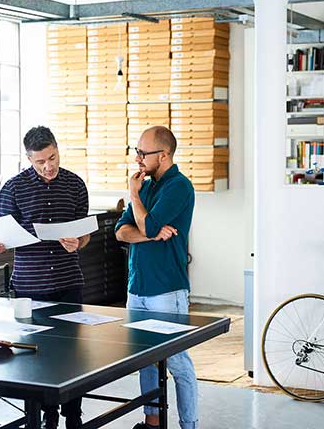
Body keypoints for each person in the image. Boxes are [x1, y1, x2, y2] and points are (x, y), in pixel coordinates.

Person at [0, 125, 90, 429]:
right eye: (40, 161)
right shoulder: (12, 189)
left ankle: (74, 416)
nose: (48, 166)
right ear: (28, 159)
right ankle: (45, 418)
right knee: (34, 358)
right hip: (29, 288)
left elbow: (84, 235)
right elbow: (2, 242)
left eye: (53, 157)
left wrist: (78, 241)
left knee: (73, 357)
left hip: (69, 283)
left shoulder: (75, 185)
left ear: (58, 149)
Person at [114, 126, 197, 429]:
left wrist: (134, 198)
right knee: (145, 360)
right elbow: (121, 231)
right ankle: (153, 423)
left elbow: (144, 226)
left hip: (166, 289)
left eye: (142, 153)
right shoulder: (146, 185)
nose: (137, 158)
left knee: (176, 361)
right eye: (136, 151)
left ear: (163, 155)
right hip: (137, 287)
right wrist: (151, 234)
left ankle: (189, 424)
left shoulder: (179, 187)